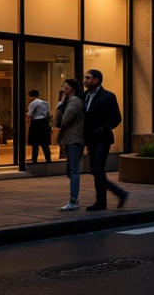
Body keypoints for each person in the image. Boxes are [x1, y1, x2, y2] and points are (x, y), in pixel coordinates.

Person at [81, 68, 129, 211]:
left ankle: (101, 202)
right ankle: (120, 193)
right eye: (85, 78)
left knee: (97, 169)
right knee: (94, 171)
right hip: (90, 139)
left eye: (88, 78)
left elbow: (116, 118)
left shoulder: (108, 96)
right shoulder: (85, 96)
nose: (84, 80)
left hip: (102, 139)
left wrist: (101, 128)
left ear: (96, 80)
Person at [56, 79, 85, 210]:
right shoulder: (68, 102)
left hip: (74, 139)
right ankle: (74, 199)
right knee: (70, 170)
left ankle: (73, 201)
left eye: (66, 87)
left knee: (73, 171)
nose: (64, 90)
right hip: (69, 139)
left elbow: (63, 120)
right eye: (63, 87)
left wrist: (61, 105)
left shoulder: (75, 101)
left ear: (73, 88)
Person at [25, 89, 53, 164]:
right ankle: (48, 158)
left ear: (31, 95)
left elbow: (30, 114)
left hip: (36, 123)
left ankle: (34, 158)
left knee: (35, 143)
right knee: (45, 143)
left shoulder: (33, 103)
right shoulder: (45, 102)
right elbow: (48, 113)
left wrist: (27, 116)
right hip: (44, 122)